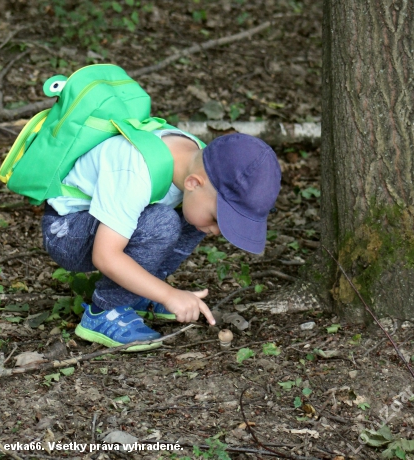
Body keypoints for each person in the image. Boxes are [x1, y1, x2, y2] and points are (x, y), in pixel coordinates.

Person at [42, 130, 281, 351]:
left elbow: (197, 210)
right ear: (193, 183)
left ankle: (139, 291)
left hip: (109, 228)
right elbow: (105, 256)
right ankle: (104, 312)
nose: (217, 231)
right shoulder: (136, 171)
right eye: (217, 218)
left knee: (194, 217)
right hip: (67, 232)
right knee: (164, 221)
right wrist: (168, 295)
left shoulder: (197, 160)